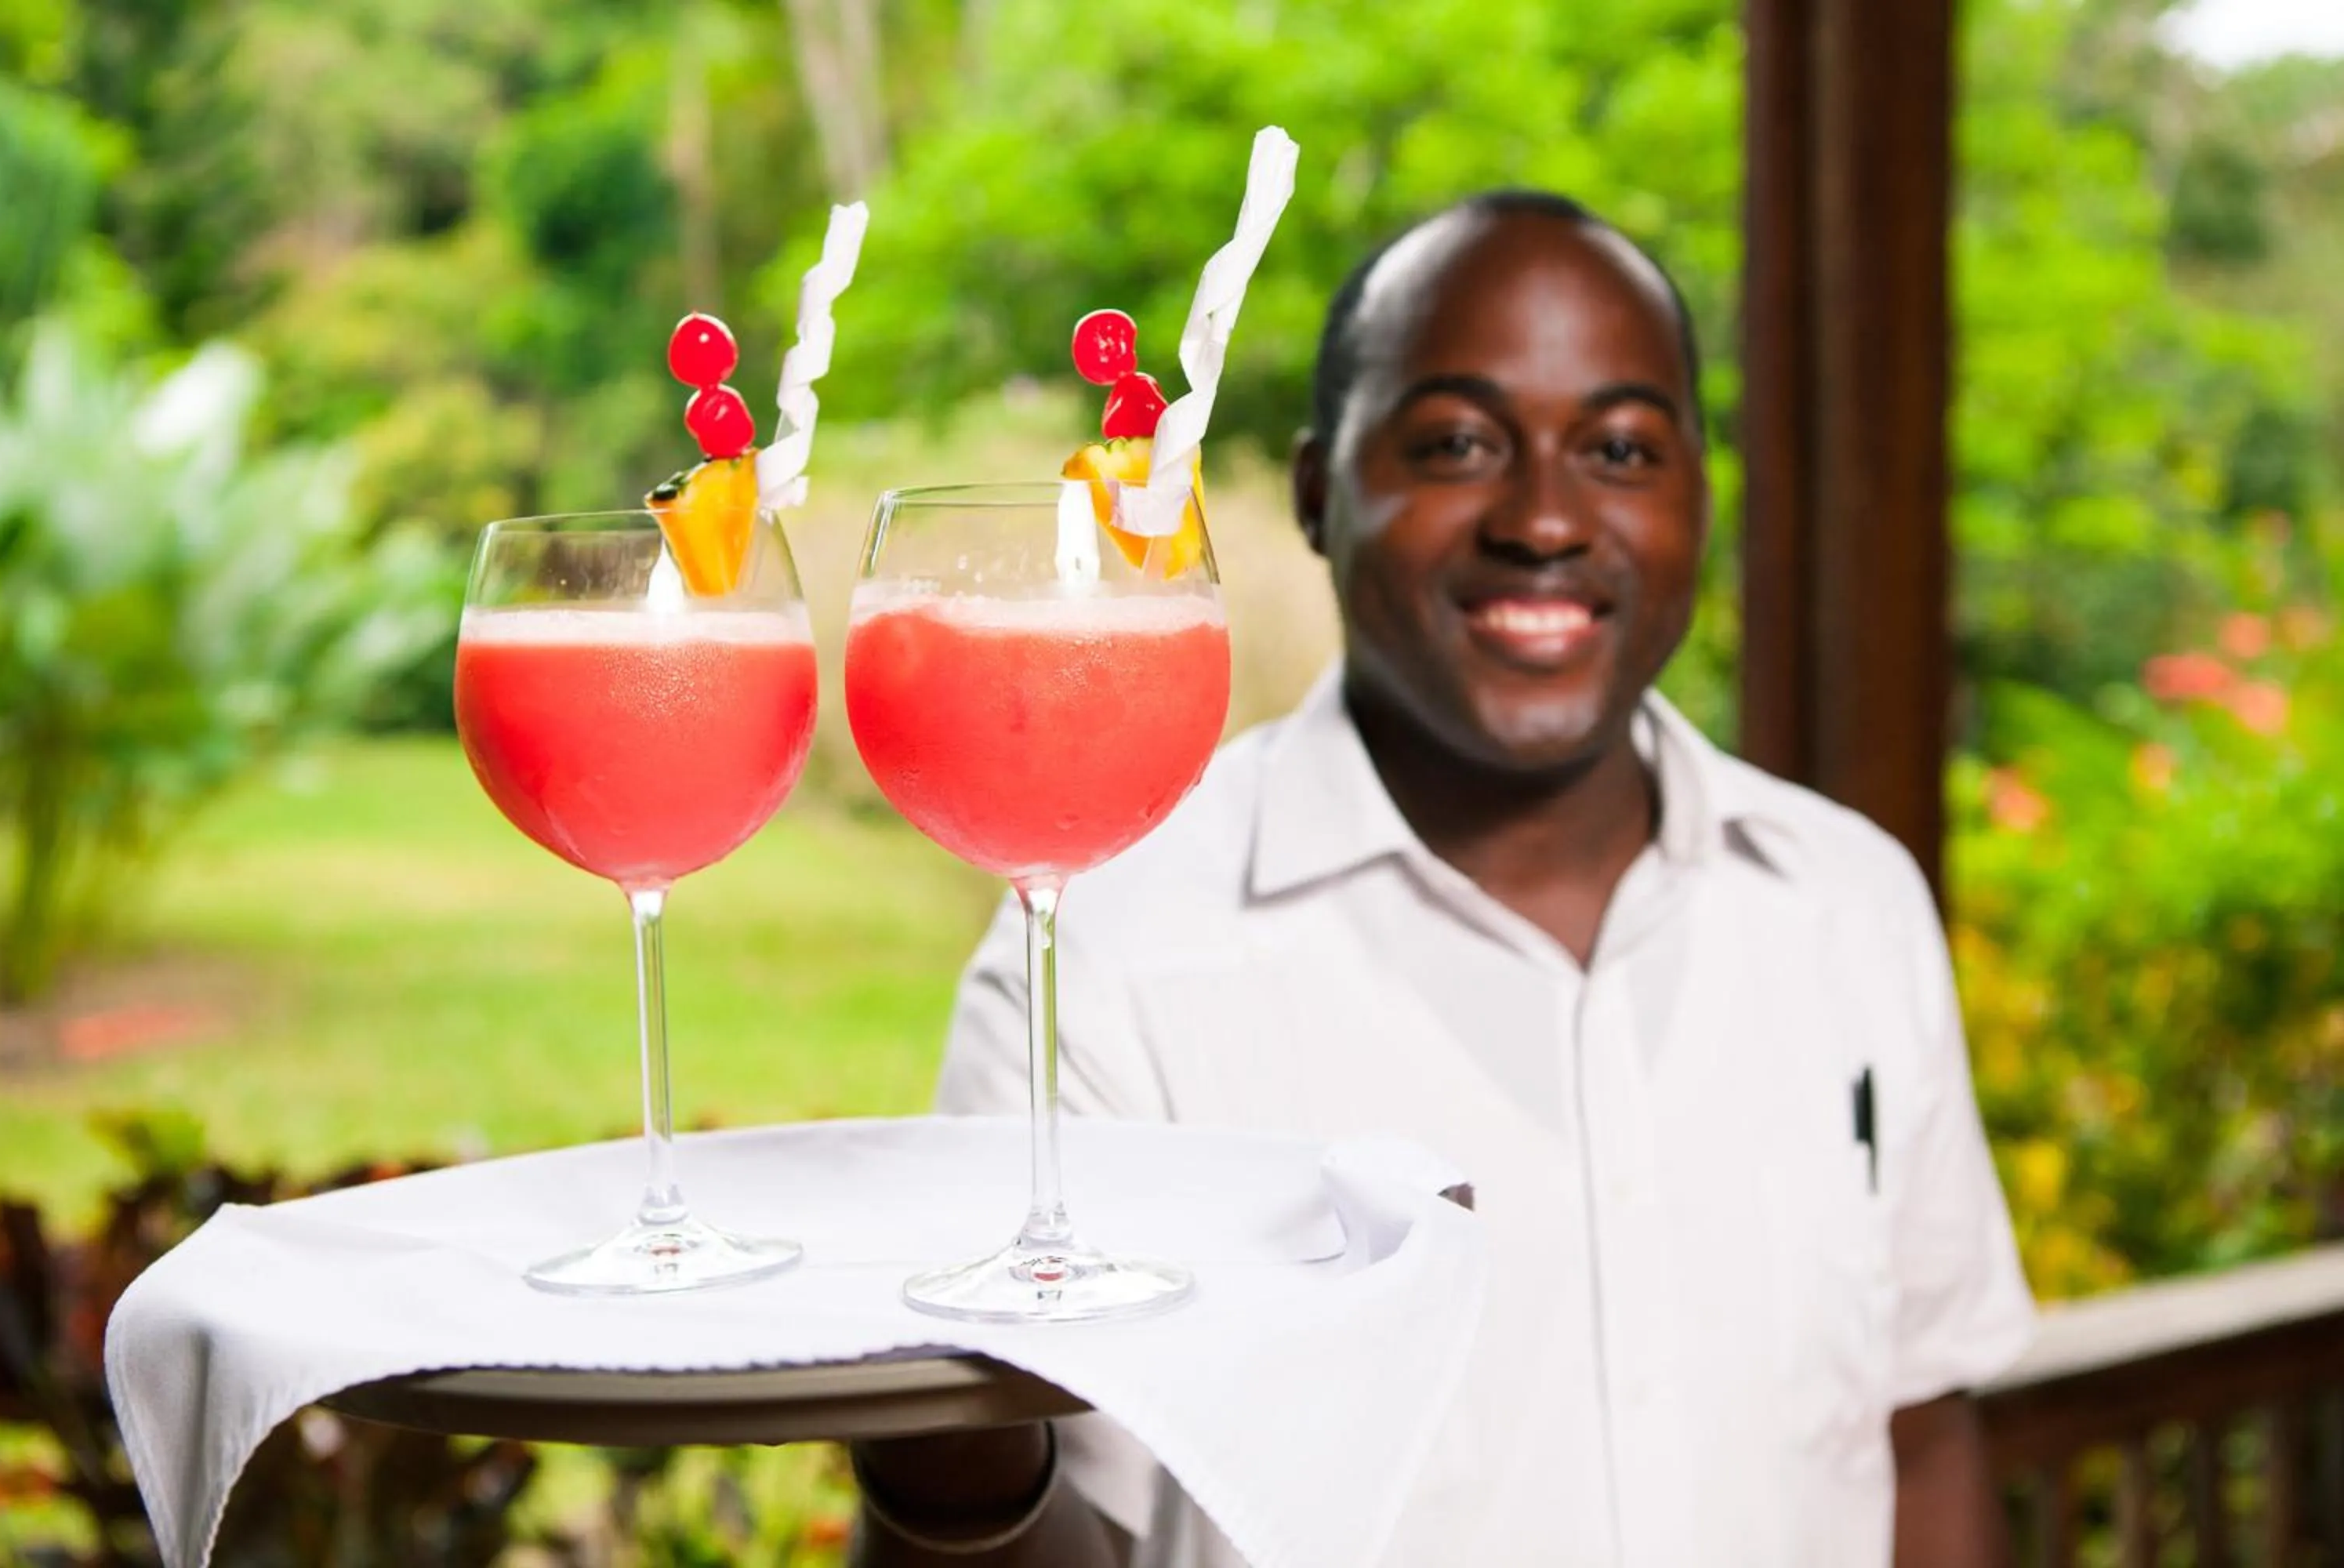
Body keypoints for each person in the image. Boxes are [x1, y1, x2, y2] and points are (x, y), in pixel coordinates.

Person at [850, 190, 2035, 1567]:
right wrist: (951, 1470)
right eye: (1459, 442)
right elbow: (1011, 1517)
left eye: (1622, 448)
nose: (1544, 517)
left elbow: (1920, 1432)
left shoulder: (1849, 903)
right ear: (1314, 494)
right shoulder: (1108, 959)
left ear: (1703, 495)